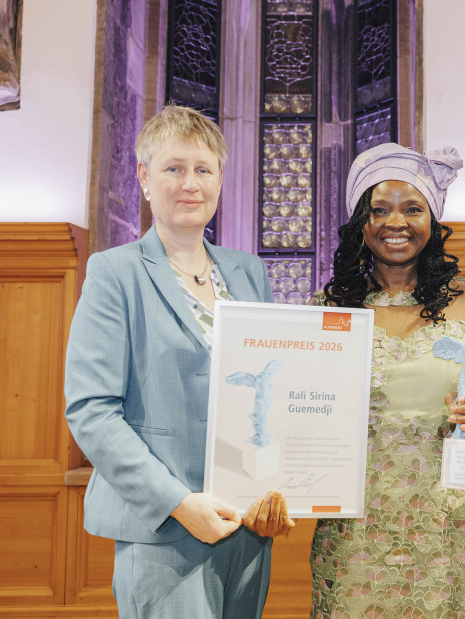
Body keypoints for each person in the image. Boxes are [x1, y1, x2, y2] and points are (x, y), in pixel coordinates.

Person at [64, 105, 294, 619]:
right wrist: (178, 503)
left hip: (245, 524)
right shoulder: (113, 274)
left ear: (220, 180)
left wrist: (275, 491)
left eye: (204, 169)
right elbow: (92, 411)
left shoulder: (249, 273)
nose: (190, 183)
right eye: (174, 168)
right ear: (145, 178)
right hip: (164, 529)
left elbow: (272, 390)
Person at [309, 143, 465, 617]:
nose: (396, 222)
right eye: (379, 210)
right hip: (356, 526)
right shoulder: (328, 311)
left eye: (412, 208)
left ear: (433, 219)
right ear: (359, 223)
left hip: (457, 522)